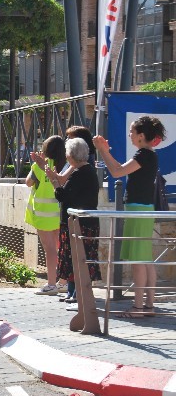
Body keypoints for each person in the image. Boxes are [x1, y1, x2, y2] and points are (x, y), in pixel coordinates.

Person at [93, 116, 166, 318]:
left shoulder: (144, 154)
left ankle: (138, 307)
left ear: (141, 136)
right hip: (143, 208)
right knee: (145, 259)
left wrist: (103, 150)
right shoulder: (147, 154)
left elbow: (116, 172)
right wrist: (105, 152)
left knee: (138, 260)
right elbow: (120, 169)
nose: (130, 135)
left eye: (132, 132)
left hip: (138, 209)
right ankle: (147, 305)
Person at [45, 138, 101, 309]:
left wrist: (54, 181)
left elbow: (63, 196)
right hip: (75, 222)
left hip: (81, 224)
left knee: (78, 258)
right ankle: (71, 292)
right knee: (70, 258)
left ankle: (78, 294)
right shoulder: (84, 170)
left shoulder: (81, 173)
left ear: (71, 155)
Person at [25, 135, 65, 296]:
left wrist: (34, 164)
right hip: (59, 214)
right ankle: (63, 281)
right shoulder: (64, 166)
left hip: (43, 214)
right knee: (60, 248)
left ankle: (50, 284)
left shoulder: (39, 166)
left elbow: (28, 182)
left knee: (50, 250)